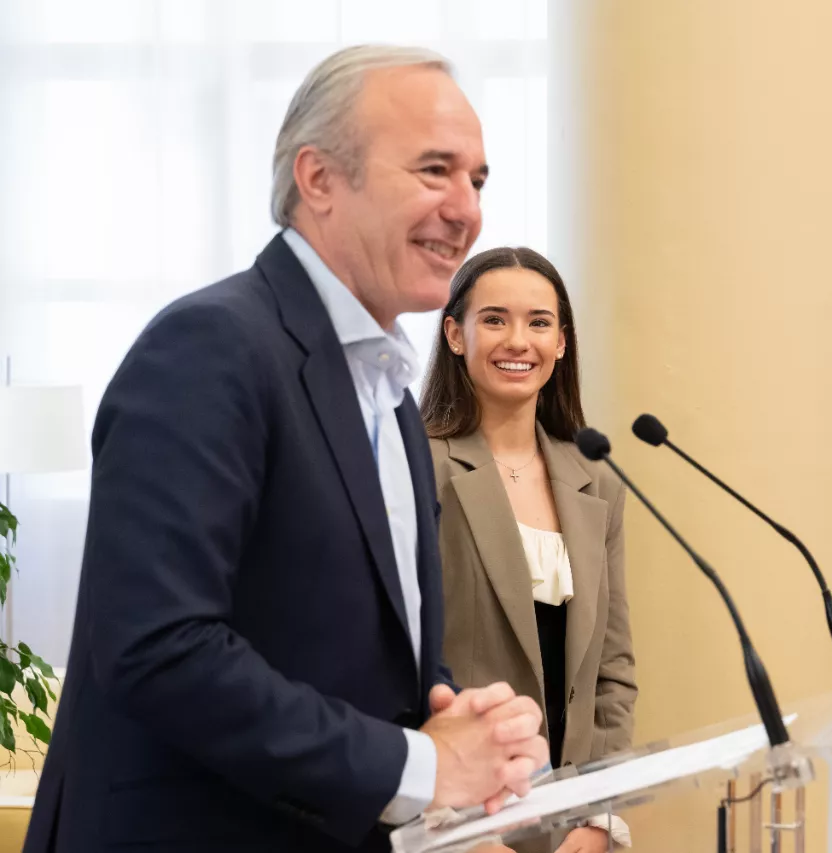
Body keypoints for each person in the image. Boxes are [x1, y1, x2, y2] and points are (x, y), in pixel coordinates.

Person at [24, 45, 548, 853]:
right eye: (435, 169)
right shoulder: (210, 347)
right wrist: (420, 764)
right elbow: (159, 646)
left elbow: (353, 647)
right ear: (319, 179)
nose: (466, 210)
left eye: (477, 180)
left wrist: (453, 715)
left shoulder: (392, 391)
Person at [420, 247, 637, 853]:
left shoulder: (597, 478)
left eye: (539, 322)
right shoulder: (418, 466)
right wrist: (454, 827)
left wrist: (600, 820)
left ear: (562, 343)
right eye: (494, 319)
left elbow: (612, 674)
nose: (518, 341)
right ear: (455, 335)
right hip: (458, 824)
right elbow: (396, 666)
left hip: (570, 825)